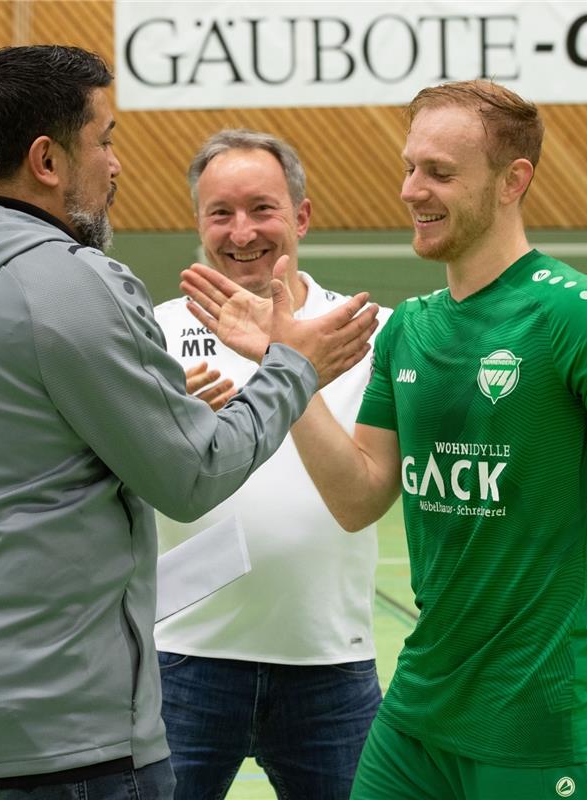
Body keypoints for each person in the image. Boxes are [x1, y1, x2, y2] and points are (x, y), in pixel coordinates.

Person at [180, 80, 587, 799]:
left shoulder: (581, 317)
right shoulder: (410, 330)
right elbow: (358, 498)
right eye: (410, 167)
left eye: (441, 174)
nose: (412, 190)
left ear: (514, 180)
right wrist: (286, 370)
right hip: (416, 717)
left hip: (537, 720)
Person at [0, 45, 377, 800]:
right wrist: (292, 369)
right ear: (47, 159)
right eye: (104, 140)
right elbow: (192, 476)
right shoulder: (72, 283)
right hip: (55, 728)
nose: (116, 165)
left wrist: (140, 427)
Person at [153, 129, 392, 799]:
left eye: (262, 208)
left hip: (329, 664)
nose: (241, 232)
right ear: (198, 225)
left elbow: (372, 489)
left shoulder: (366, 333)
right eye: (219, 213)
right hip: (182, 661)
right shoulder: (151, 336)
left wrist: (282, 362)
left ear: (302, 216)